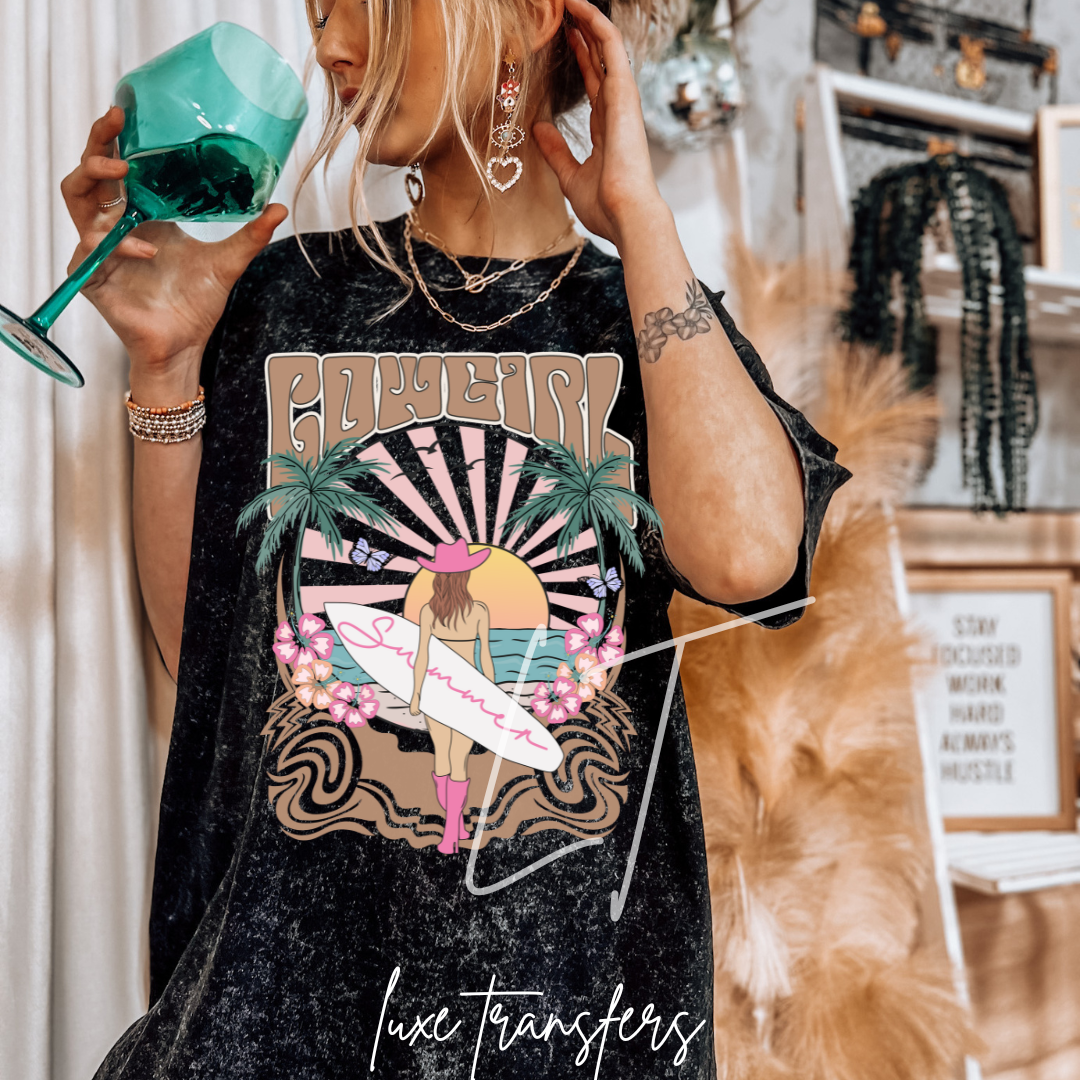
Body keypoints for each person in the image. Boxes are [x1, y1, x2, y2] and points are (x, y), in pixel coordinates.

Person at [67, 0, 850, 1075]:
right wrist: (165, 368)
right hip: (275, 1022)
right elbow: (206, 660)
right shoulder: (282, 300)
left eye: (363, 4)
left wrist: (640, 219)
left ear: (526, 14)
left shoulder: (648, 326)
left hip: (565, 1028)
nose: (330, 46)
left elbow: (750, 557)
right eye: (318, 13)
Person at [408, 540, 495, 854]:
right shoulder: (479, 611)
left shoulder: (428, 611)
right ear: (465, 575)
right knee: (459, 761)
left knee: (443, 759)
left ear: (439, 577)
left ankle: (452, 827)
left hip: (436, 690)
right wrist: (491, 693)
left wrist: (417, 693)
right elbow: (484, 657)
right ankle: (453, 828)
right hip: (466, 693)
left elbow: (422, 657)